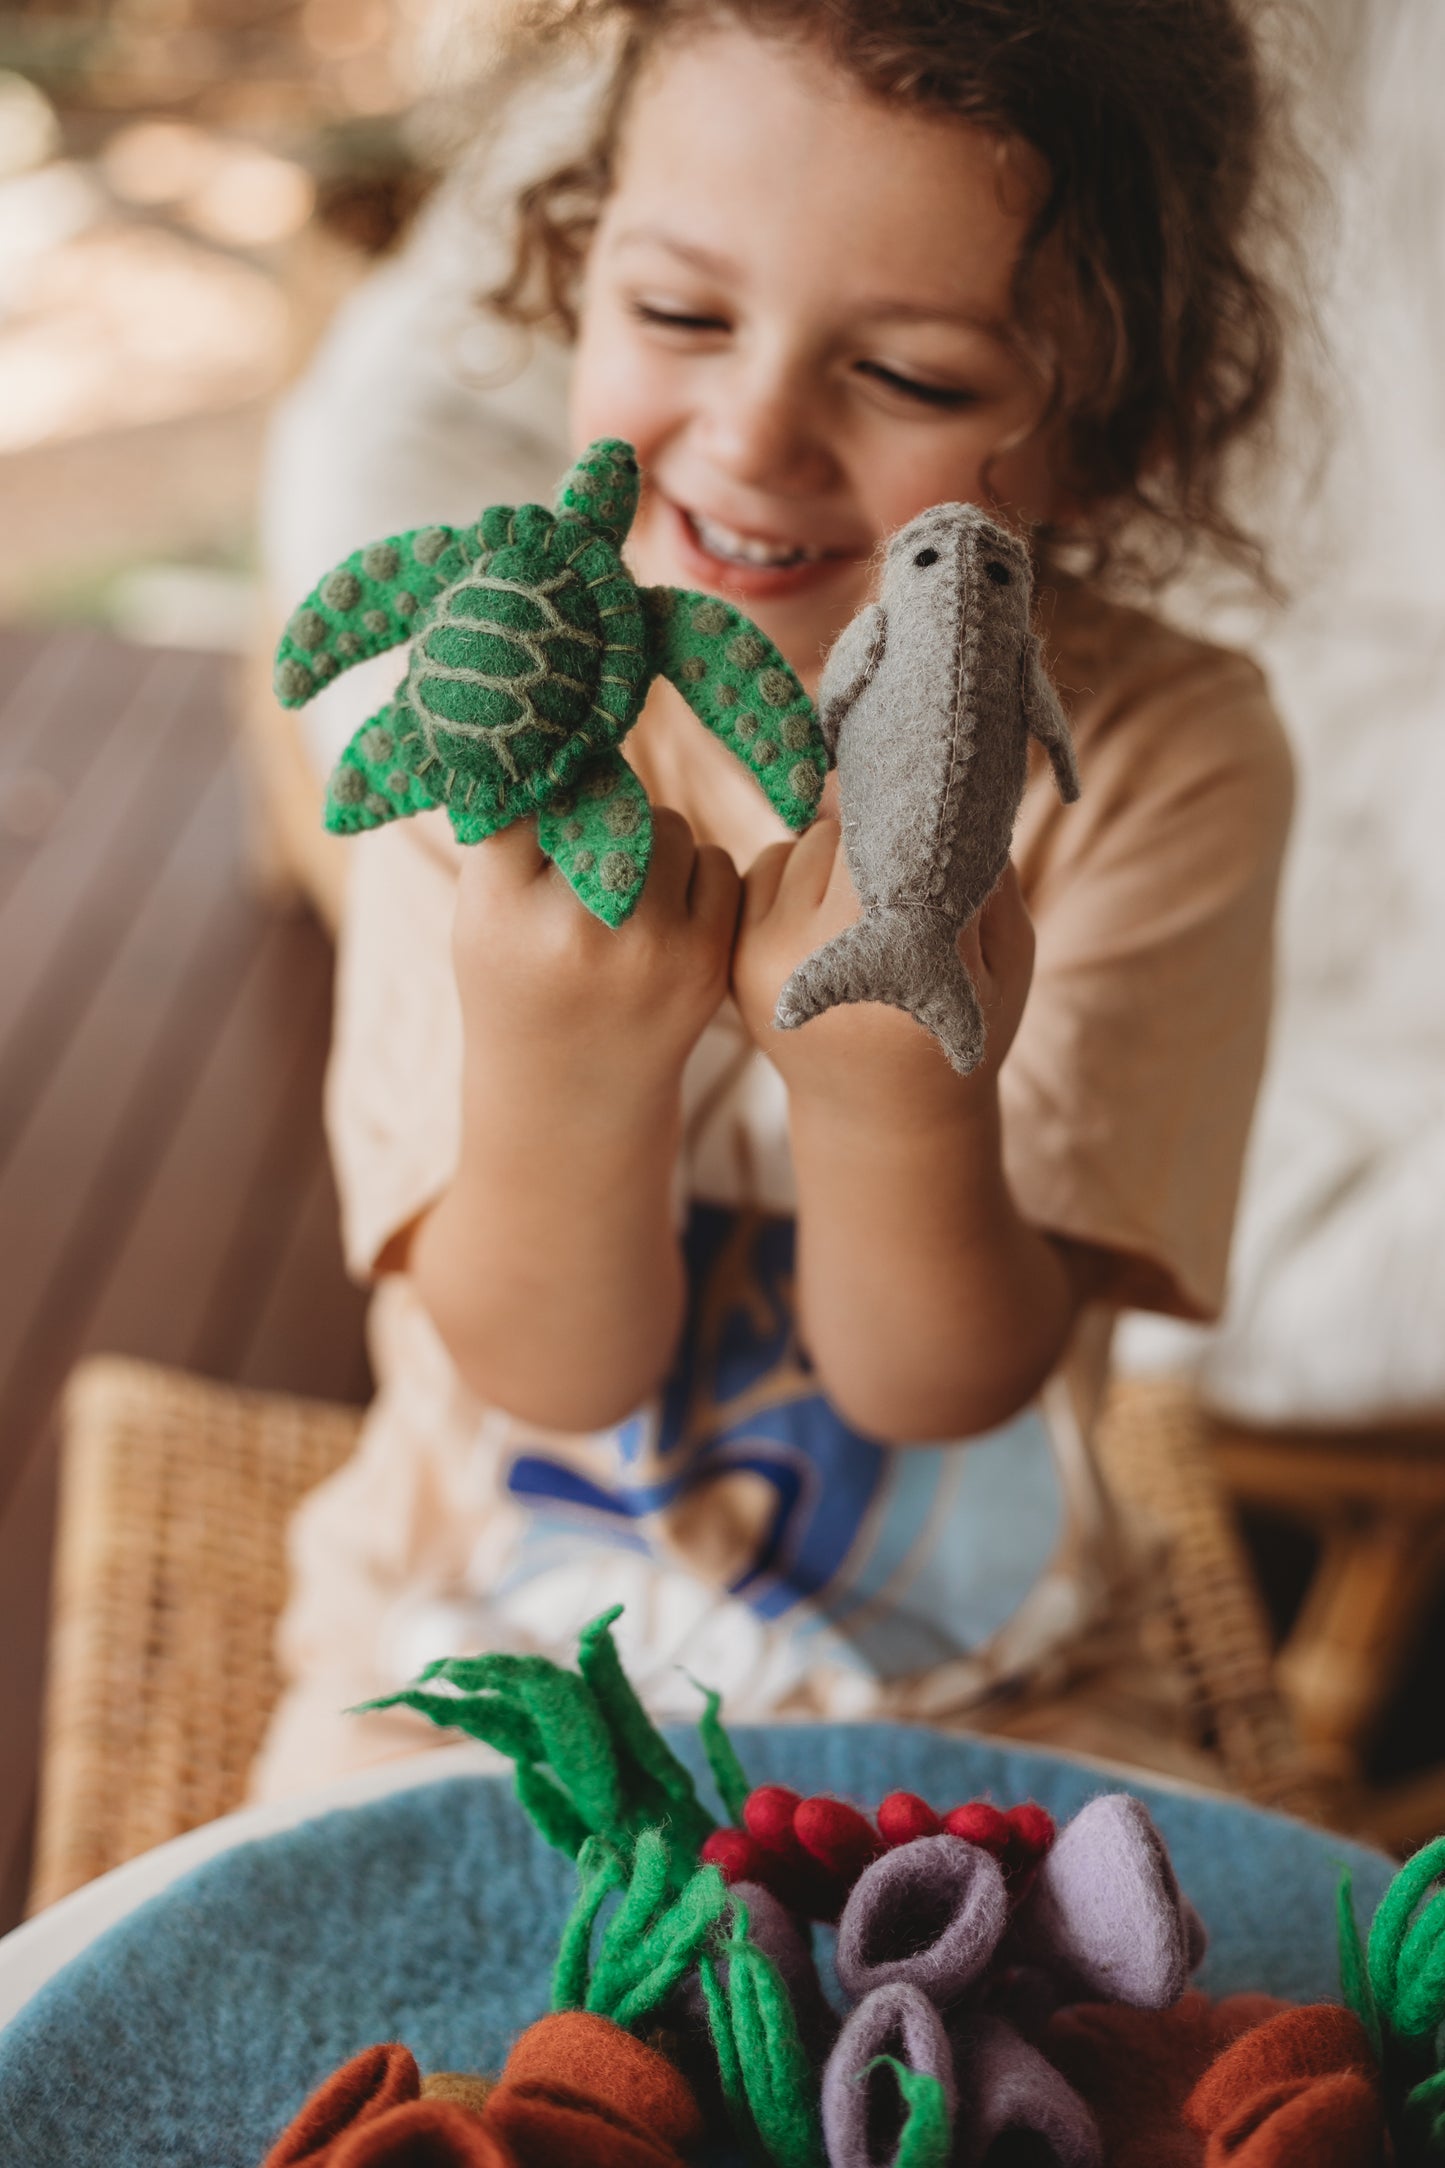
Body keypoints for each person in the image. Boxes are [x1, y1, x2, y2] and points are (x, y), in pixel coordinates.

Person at [248, 0, 1299, 1801]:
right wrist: (561, 1064)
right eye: (676, 314)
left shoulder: (1156, 756)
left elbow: (942, 1390)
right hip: (474, 1644)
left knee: (1169, 2048)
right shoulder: (494, 723)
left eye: (913, 378)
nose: (751, 434)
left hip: (996, 1676)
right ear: (576, 280)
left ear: (1104, 431)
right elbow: (546, 1371)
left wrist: (888, 1078)